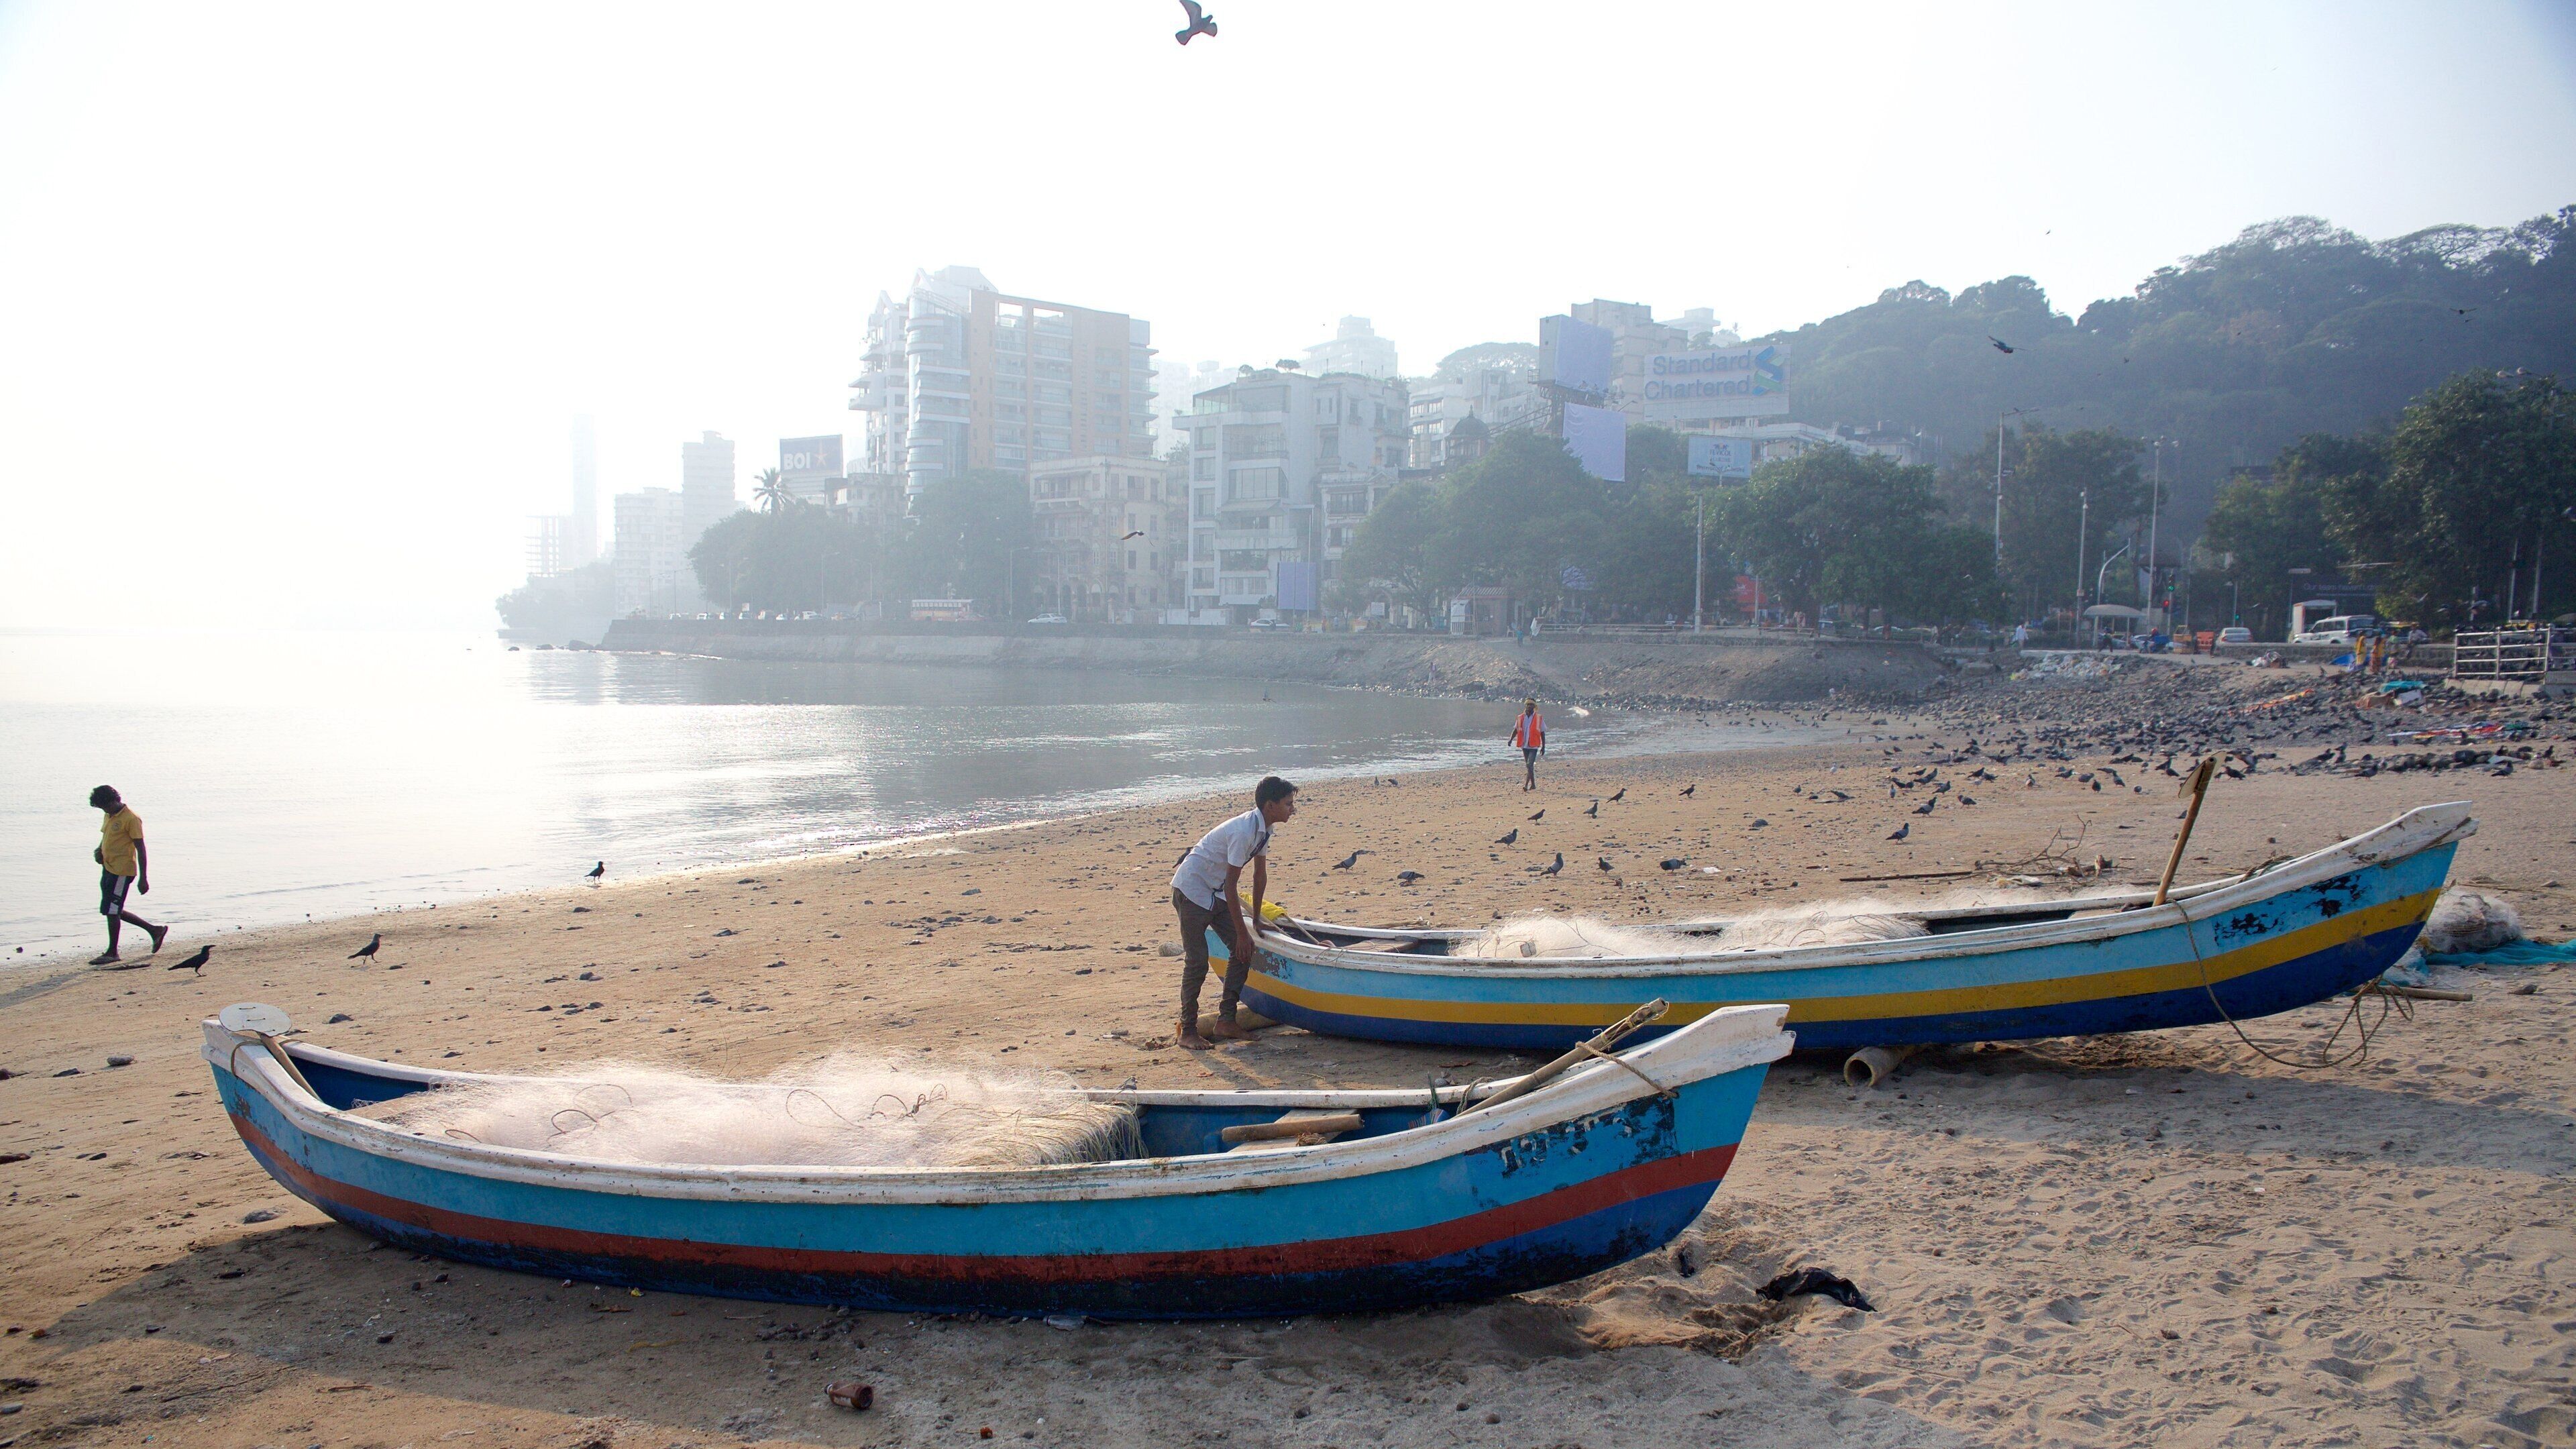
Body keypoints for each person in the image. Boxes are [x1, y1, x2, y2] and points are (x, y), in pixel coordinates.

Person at [1170, 775, 1297, 1050]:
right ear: (1270, 805)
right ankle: (1188, 1031)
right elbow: (1232, 885)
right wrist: (1241, 932)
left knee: (1245, 949)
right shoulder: (1243, 832)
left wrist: (1257, 921)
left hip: (1215, 892)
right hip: (1191, 891)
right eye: (1288, 804)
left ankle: (1226, 1020)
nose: (1292, 809)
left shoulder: (1264, 829)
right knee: (1198, 961)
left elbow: (1259, 875)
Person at [89, 786, 167, 967]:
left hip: (122, 871)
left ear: (114, 800)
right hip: (108, 868)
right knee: (110, 908)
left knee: (112, 909)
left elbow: (141, 849)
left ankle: (113, 952)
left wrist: (143, 878)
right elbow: (106, 836)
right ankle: (155, 930)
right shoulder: (109, 815)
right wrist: (99, 850)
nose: (104, 810)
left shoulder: (131, 819)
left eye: (105, 806)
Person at [1510, 698, 1546, 791]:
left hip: (1534, 745)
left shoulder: (1539, 718)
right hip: (1524, 745)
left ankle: (1526, 785)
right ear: (1526, 706)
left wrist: (1544, 747)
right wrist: (1511, 739)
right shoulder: (1521, 717)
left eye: (1531, 705)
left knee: (1529, 765)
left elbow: (1542, 733)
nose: (1529, 706)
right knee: (1529, 766)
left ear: (1534, 707)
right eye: (1528, 705)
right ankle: (1533, 785)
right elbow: (1516, 730)